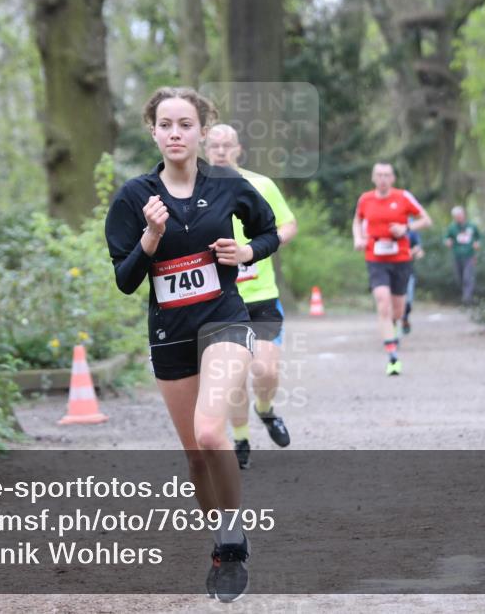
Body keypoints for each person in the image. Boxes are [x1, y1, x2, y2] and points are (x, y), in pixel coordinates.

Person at [105, 87, 278, 603]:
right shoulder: (134, 198)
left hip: (224, 321)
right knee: (195, 458)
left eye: (186, 123)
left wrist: (246, 250)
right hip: (170, 336)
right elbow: (125, 279)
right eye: (166, 124)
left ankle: (232, 542)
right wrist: (150, 240)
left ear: (203, 130)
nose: (176, 133)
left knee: (210, 432)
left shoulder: (228, 183)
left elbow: (268, 232)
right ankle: (224, 539)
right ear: (154, 132)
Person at [205, 123, 298, 470]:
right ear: (205, 148)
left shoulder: (261, 185)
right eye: (214, 145)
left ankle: (266, 410)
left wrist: (257, 247)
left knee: (264, 370)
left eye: (227, 145)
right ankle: (241, 436)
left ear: (238, 149)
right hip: (220, 300)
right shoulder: (196, 190)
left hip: (261, 297)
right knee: (233, 377)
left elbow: (288, 224)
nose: (220, 150)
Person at [352, 163, 432, 375]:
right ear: (373, 178)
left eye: (387, 175)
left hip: (400, 258)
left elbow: (426, 220)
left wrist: (406, 228)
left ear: (393, 178)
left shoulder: (403, 197)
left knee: (397, 309)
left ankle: (395, 326)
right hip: (375, 257)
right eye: (379, 175)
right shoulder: (365, 199)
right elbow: (357, 221)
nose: (383, 179)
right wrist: (358, 238)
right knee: (382, 301)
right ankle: (392, 356)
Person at [444, 205, 481, 304]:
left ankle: (467, 298)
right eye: (456, 216)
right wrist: (447, 241)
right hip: (457, 256)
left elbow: (479, 237)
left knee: (467, 276)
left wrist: (478, 243)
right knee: (459, 278)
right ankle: (466, 295)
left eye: (459, 215)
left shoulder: (472, 226)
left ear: (463, 215)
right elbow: (446, 237)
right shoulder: (452, 227)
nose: (458, 218)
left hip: (469, 255)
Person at [402, 226, 424, 335]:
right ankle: (391, 323)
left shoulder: (410, 227)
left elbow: (419, 247)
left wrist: (415, 251)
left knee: (408, 300)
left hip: (407, 269)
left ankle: (405, 318)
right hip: (388, 268)